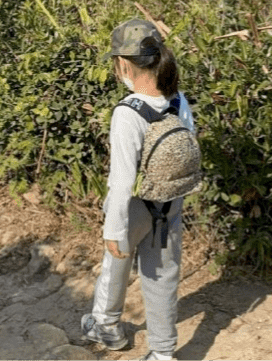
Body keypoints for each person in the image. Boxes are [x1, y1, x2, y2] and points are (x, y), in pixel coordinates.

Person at [81, 18, 196, 361]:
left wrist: (113, 229)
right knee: (162, 277)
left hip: (134, 207)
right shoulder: (179, 101)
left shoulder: (127, 113)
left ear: (124, 65)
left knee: (115, 261)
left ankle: (108, 326)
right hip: (170, 204)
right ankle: (162, 354)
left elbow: (121, 180)